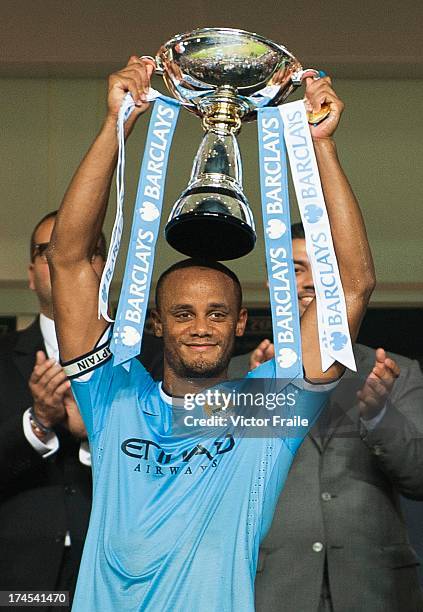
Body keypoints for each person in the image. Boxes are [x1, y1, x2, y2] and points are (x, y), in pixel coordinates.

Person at [47, 57, 377, 611]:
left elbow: (351, 286)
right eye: (183, 313)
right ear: (156, 322)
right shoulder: (113, 396)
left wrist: (322, 148)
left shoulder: (268, 411)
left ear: (242, 323)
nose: (201, 328)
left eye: (218, 313)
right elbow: (69, 258)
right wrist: (116, 126)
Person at [253, 222, 423, 611]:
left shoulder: (396, 371)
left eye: (322, 267)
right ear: (270, 282)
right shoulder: (234, 378)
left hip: (375, 591)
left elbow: (420, 477)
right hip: (273, 592)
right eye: (295, 269)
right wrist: (259, 394)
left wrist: (381, 417)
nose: (310, 282)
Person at [0, 211, 105, 604]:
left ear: (105, 266)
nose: (68, 260)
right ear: (31, 274)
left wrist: (95, 434)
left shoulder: (148, 357)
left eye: (87, 250)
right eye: (52, 251)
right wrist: (37, 423)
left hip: (116, 571)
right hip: (18, 574)